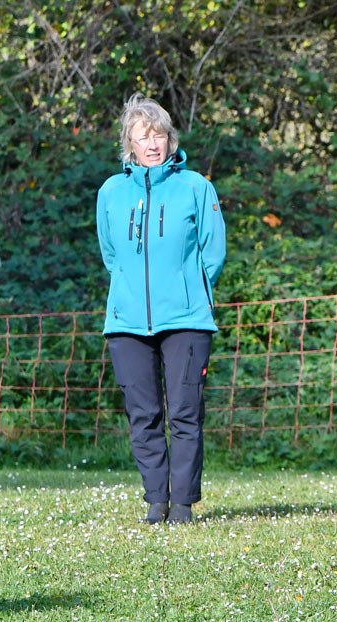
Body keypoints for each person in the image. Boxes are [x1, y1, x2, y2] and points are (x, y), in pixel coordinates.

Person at [97, 93, 227, 524]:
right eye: (143, 136)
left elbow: (213, 252)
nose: (152, 144)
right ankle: (156, 501)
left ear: (171, 141)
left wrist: (189, 290)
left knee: (186, 413)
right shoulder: (111, 193)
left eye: (159, 135)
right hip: (126, 323)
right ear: (129, 144)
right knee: (143, 415)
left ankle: (184, 506)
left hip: (187, 320)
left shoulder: (196, 188)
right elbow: (111, 253)